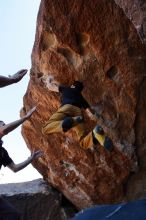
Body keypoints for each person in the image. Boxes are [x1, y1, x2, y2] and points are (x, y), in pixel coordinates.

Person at [42, 76, 113, 151]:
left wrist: (48, 80)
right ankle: (95, 134)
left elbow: (51, 87)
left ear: (73, 85)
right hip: (78, 112)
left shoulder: (66, 89)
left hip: (66, 108)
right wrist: (99, 117)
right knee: (83, 141)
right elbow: (90, 112)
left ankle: (64, 123)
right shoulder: (81, 97)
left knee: (45, 129)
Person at [0, 107, 43, 220]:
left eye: (5, 124)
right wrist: (25, 118)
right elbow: (4, 130)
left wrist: (30, 159)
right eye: (2, 124)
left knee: (13, 216)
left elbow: (15, 168)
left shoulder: (2, 152)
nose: (4, 125)